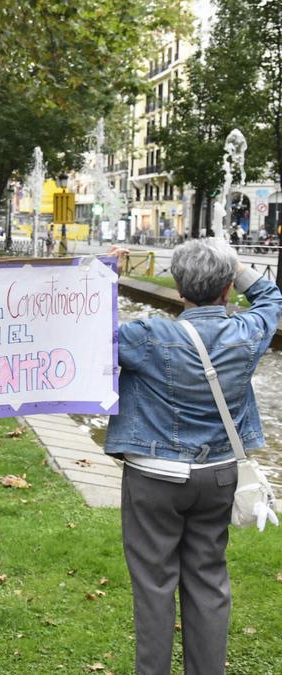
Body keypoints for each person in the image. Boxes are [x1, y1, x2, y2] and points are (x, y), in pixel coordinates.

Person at [106, 239, 282, 674]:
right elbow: (272, 296)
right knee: (208, 581)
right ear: (227, 288)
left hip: (154, 478)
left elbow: (87, 331)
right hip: (220, 476)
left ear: (180, 288)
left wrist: (107, 272)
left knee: (153, 586)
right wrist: (236, 267)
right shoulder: (248, 332)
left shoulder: (145, 337)